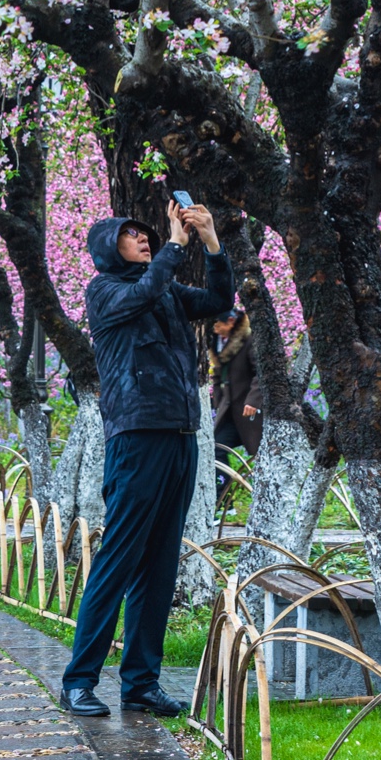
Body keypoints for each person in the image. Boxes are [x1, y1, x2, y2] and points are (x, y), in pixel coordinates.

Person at [60, 199, 234, 720]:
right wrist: (176, 247)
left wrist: (210, 241)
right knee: (118, 558)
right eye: (131, 235)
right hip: (137, 437)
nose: (144, 239)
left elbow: (220, 300)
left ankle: (140, 682)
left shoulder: (163, 291)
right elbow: (146, 289)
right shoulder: (107, 292)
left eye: (146, 235)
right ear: (107, 249)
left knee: (159, 564)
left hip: (181, 435)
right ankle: (79, 681)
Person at [209, 310, 261, 508]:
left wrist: (254, 401)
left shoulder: (249, 340)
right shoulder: (218, 340)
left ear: (231, 321)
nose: (215, 329)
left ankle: (264, 501)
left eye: (218, 325)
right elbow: (217, 373)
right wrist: (216, 403)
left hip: (251, 412)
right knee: (216, 449)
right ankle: (224, 502)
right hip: (228, 412)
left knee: (260, 455)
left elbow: (261, 374)